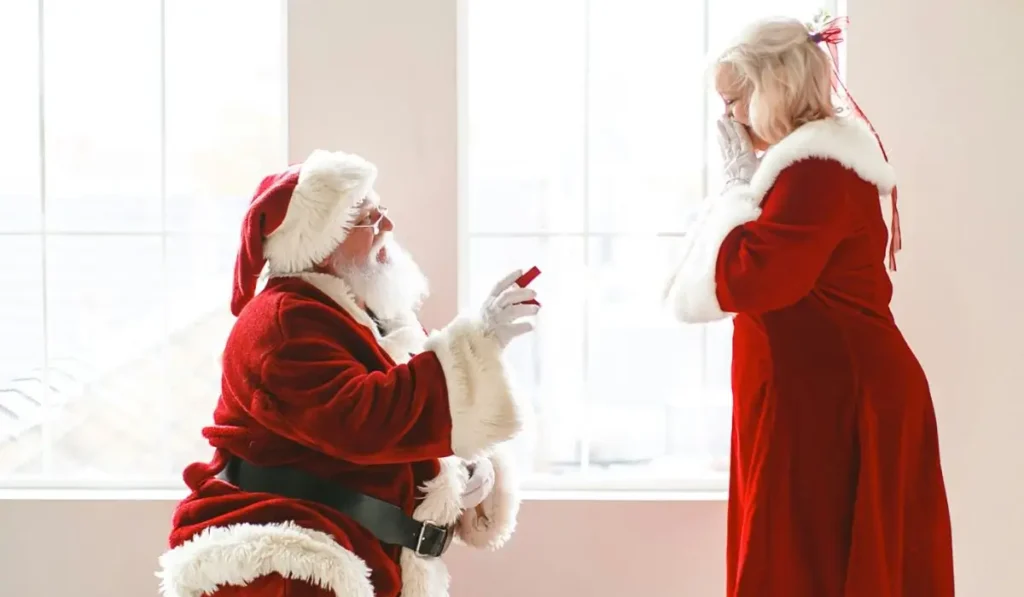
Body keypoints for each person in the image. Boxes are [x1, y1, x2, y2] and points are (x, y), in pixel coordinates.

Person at [156, 149, 538, 597]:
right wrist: (479, 339)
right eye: (368, 219)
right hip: (293, 567)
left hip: (362, 553)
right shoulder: (283, 324)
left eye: (382, 213)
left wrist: (462, 468)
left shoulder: (366, 316)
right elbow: (366, 420)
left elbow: (403, 424)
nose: (388, 228)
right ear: (319, 242)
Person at [663, 16, 955, 597]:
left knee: (805, 560)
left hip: (837, 400)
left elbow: (748, 280)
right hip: (813, 393)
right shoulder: (805, 167)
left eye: (736, 100)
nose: (730, 119)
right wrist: (742, 187)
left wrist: (736, 187)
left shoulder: (815, 170)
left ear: (774, 87)